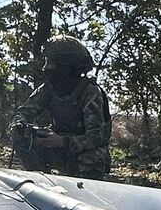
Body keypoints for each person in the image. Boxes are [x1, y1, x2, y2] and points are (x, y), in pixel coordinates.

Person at [12, 34, 110, 178]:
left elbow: (97, 137)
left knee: (93, 156)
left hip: (82, 152)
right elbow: (24, 112)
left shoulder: (90, 92)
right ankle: (41, 182)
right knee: (20, 136)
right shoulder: (48, 89)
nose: (45, 68)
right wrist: (19, 125)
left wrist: (62, 141)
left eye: (50, 63)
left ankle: (87, 190)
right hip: (58, 148)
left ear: (64, 66)